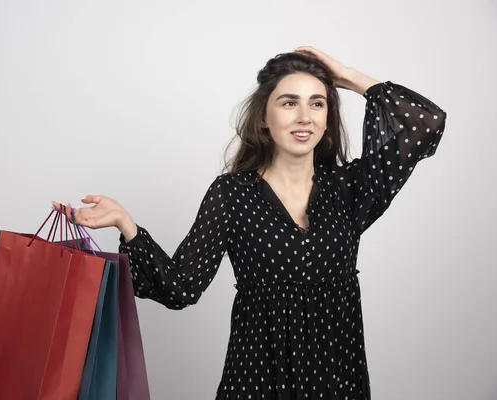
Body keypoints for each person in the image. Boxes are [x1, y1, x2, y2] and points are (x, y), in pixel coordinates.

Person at [52, 46, 447, 399]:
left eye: (318, 103)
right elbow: (179, 287)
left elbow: (425, 123)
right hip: (258, 378)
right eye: (289, 103)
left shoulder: (350, 189)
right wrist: (126, 222)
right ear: (264, 118)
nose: (305, 117)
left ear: (328, 116)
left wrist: (347, 76)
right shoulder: (232, 195)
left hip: (338, 380)